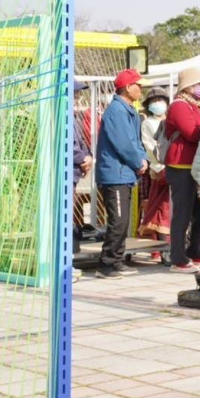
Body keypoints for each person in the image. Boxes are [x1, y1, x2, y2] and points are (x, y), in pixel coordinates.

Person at [93, 69, 148, 279]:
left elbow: (135, 141)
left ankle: (116, 261)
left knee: (122, 220)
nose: (141, 89)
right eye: (139, 85)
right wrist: (138, 161)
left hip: (123, 173)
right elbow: (124, 143)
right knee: (118, 220)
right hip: (115, 174)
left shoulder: (127, 109)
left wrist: (141, 159)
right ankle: (106, 264)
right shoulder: (116, 111)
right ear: (128, 87)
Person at [165, 67, 200, 272]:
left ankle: (195, 250)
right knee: (183, 211)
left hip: (197, 165)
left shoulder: (198, 106)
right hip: (181, 164)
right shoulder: (179, 106)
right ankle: (178, 257)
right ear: (189, 86)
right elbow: (192, 133)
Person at [137, 86, 171, 244]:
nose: (158, 103)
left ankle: (163, 247)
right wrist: (160, 166)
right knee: (159, 208)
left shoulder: (171, 119)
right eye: (154, 101)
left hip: (173, 169)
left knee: (168, 209)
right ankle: (160, 247)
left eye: (161, 100)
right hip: (159, 170)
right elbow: (149, 147)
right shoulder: (147, 123)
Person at [71, 80, 94, 256]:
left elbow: (82, 143)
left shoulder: (74, 117)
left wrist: (88, 157)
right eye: (75, 94)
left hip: (75, 172)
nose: (78, 97)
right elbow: (68, 146)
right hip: (67, 173)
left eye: (78, 94)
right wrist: (82, 159)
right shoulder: (61, 116)